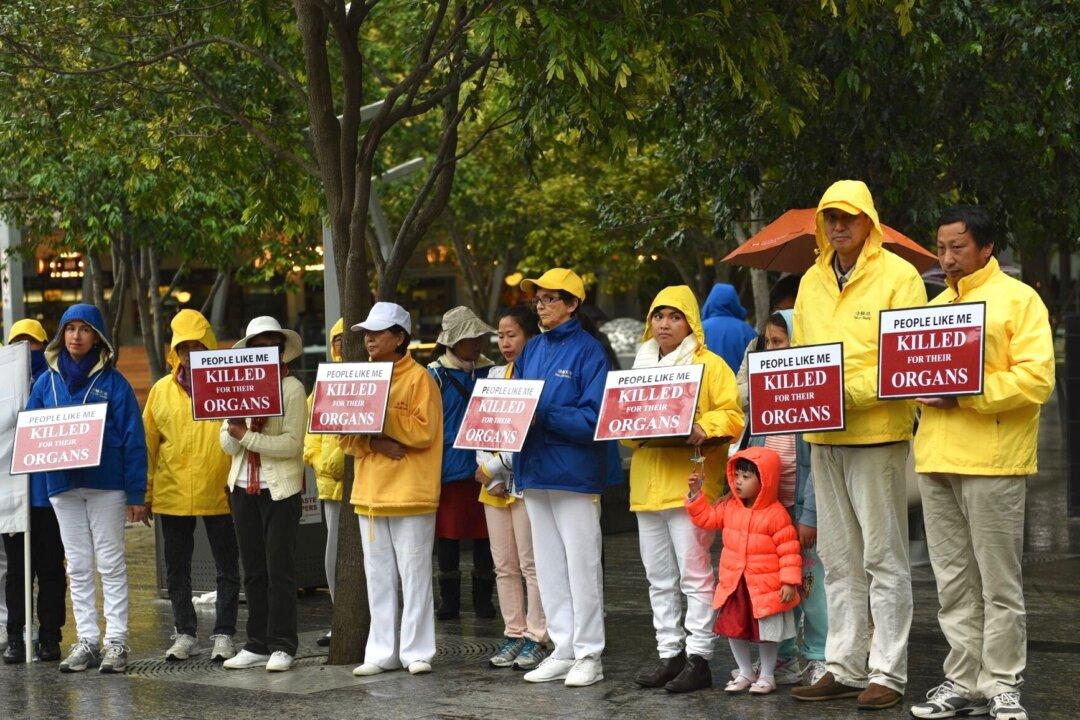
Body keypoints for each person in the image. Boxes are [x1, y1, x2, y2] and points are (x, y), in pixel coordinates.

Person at [909, 205, 1054, 720]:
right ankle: (962, 680)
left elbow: (1037, 379)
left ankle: (1003, 684)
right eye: (941, 248)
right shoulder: (935, 306)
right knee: (952, 583)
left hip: (994, 460)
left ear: (987, 247)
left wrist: (967, 395)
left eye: (958, 247)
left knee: (999, 583)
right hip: (936, 458)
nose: (947, 258)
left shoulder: (1020, 300)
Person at [789, 180, 926, 710]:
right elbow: (800, 357)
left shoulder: (901, 277)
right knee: (838, 557)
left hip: (877, 435)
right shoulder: (810, 281)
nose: (838, 225)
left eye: (848, 216)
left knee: (884, 558)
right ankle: (843, 665)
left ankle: (887, 673)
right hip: (823, 437)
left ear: (869, 220)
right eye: (830, 217)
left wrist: (840, 390)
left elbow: (906, 363)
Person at [626, 285, 743, 693]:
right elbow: (624, 430)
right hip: (646, 485)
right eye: (659, 315)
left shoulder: (710, 365)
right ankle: (669, 653)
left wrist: (702, 428)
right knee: (658, 577)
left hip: (690, 486)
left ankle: (699, 657)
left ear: (690, 322)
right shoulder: (638, 367)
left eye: (675, 316)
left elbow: (733, 415)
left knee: (695, 576)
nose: (665, 324)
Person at [512, 268, 621, 688]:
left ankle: (590, 651)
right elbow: (513, 405)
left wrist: (542, 413)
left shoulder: (591, 351)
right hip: (535, 470)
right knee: (550, 566)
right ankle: (564, 647)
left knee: (582, 564)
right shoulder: (532, 348)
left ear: (573, 303)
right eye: (537, 299)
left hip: (575, 473)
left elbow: (595, 419)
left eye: (550, 298)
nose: (541, 305)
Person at [26, 304, 148, 674]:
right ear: (61, 335)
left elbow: (133, 439)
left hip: (105, 485)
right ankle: (87, 641)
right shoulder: (45, 383)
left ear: (98, 337)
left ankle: (117, 641)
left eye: (84, 329)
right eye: (69, 329)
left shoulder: (114, 383)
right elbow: (31, 435)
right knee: (77, 566)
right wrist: (32, 495)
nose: (76, 336)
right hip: (62, 486)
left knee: (109, 563)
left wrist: (137, 494)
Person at [342, 302, 442, 677]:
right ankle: (381, 651)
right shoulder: (359, 378)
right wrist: (374, 442)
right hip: (371, 493)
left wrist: (377, 419)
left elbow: (424, 431)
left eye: (378, 332)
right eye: (366, 332)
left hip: (411, 492)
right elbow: (344, 438)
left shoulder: (420, 378)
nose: (369, 339)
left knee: (415, 576)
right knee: (378, 577)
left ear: (400, 337)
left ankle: (417, 651)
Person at [143, 309, 239, 662]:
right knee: (176, 569)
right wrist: (146, 494)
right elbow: (148, 446)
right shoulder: (160, 392)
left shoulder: (228, 385)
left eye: (199, 345)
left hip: (222, 490)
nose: (191, 353)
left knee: (228, 566)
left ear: (210, 347)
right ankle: (184, 632)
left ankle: (224, 633)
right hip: (173, 493)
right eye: (184, 347)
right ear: (175, 351)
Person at [740, 310, 828, 687]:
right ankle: (786, 657)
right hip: (771, 511)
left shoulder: (813, 391)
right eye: (768, 343)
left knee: (810, 583)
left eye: (780, 341)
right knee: (779, 586)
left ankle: (819, 656)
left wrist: (809, 514)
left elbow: (818, 462)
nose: (773, 350)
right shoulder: (764, 388)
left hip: (801, 509)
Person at [220, 317, 307, 673]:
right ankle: (256, 643)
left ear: (280, 350)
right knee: (253, 570)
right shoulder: (236, 387)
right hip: (242, 487)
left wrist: (247, 435)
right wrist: (237, 423)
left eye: (270, 346)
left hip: (280, 490)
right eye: (256, 346)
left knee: (279, 569)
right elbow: (226, 445)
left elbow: (292, 445)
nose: (263, 352)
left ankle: (283, 644)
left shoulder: (292, 388)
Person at [685, 447, 802, 696]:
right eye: (737, 475)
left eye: (746, 477)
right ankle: (745, 671)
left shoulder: (776, 514)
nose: (738, 481)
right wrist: (696, 495)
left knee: (767, 633)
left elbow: (789, 551)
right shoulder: (729, 506)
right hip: (735, 584)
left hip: (765, 587)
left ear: (765, 481)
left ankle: (768, 675)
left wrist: (789, 582)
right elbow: (706, 519)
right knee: (733, 629)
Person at [475, 304, 548, 671]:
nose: (505, 342)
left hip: (523, 482)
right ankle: (513, 632)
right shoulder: (490, 376)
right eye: (500, 336)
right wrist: (487, 468)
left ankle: (537, 635)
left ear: (529, 336)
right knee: (503, 565)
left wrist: (494, 467)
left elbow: (524, 434)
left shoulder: (535, 376)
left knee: (530, 563)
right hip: (493, 485)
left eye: (512, 335)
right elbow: (481, 429)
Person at [2, 319, 66, 664]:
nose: (27, 349)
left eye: (33, 343)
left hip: (50, 493)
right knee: (17, 572)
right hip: (14, 495)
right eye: (19, 343)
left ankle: (50, 635)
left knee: (52, 567)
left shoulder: (54, 381)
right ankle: (16, 635)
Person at [427, 306, 496, 621]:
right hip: (449, 468)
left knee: (487, 536)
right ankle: (449, 602)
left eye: (479, 336)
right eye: (471, 337)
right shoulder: (434, 375)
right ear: (453, 341)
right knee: (449, 537)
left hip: (487, 467)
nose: (477, 342)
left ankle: (484, 601)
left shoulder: (491, 371)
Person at [303, 318, 346, 648]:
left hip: (368, 486)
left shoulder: (372, 380)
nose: (341, 347)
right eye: (336, 341)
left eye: (347, 340)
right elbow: (310, 438)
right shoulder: (322, 386)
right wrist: (322, 464)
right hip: (331, 487)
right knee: (333, 556)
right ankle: (340, 617)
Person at [735, 274, 801, 407]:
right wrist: (768, 385)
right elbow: (738, 394)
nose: (769, 348)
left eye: (790, 311)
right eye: (777, 310)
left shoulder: (813, 348)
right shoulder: (756, 345)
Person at [700, 283, 758, 373]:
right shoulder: (748, 331)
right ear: (734, 302)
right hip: (738, 386)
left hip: (704, 385)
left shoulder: (697, 330)